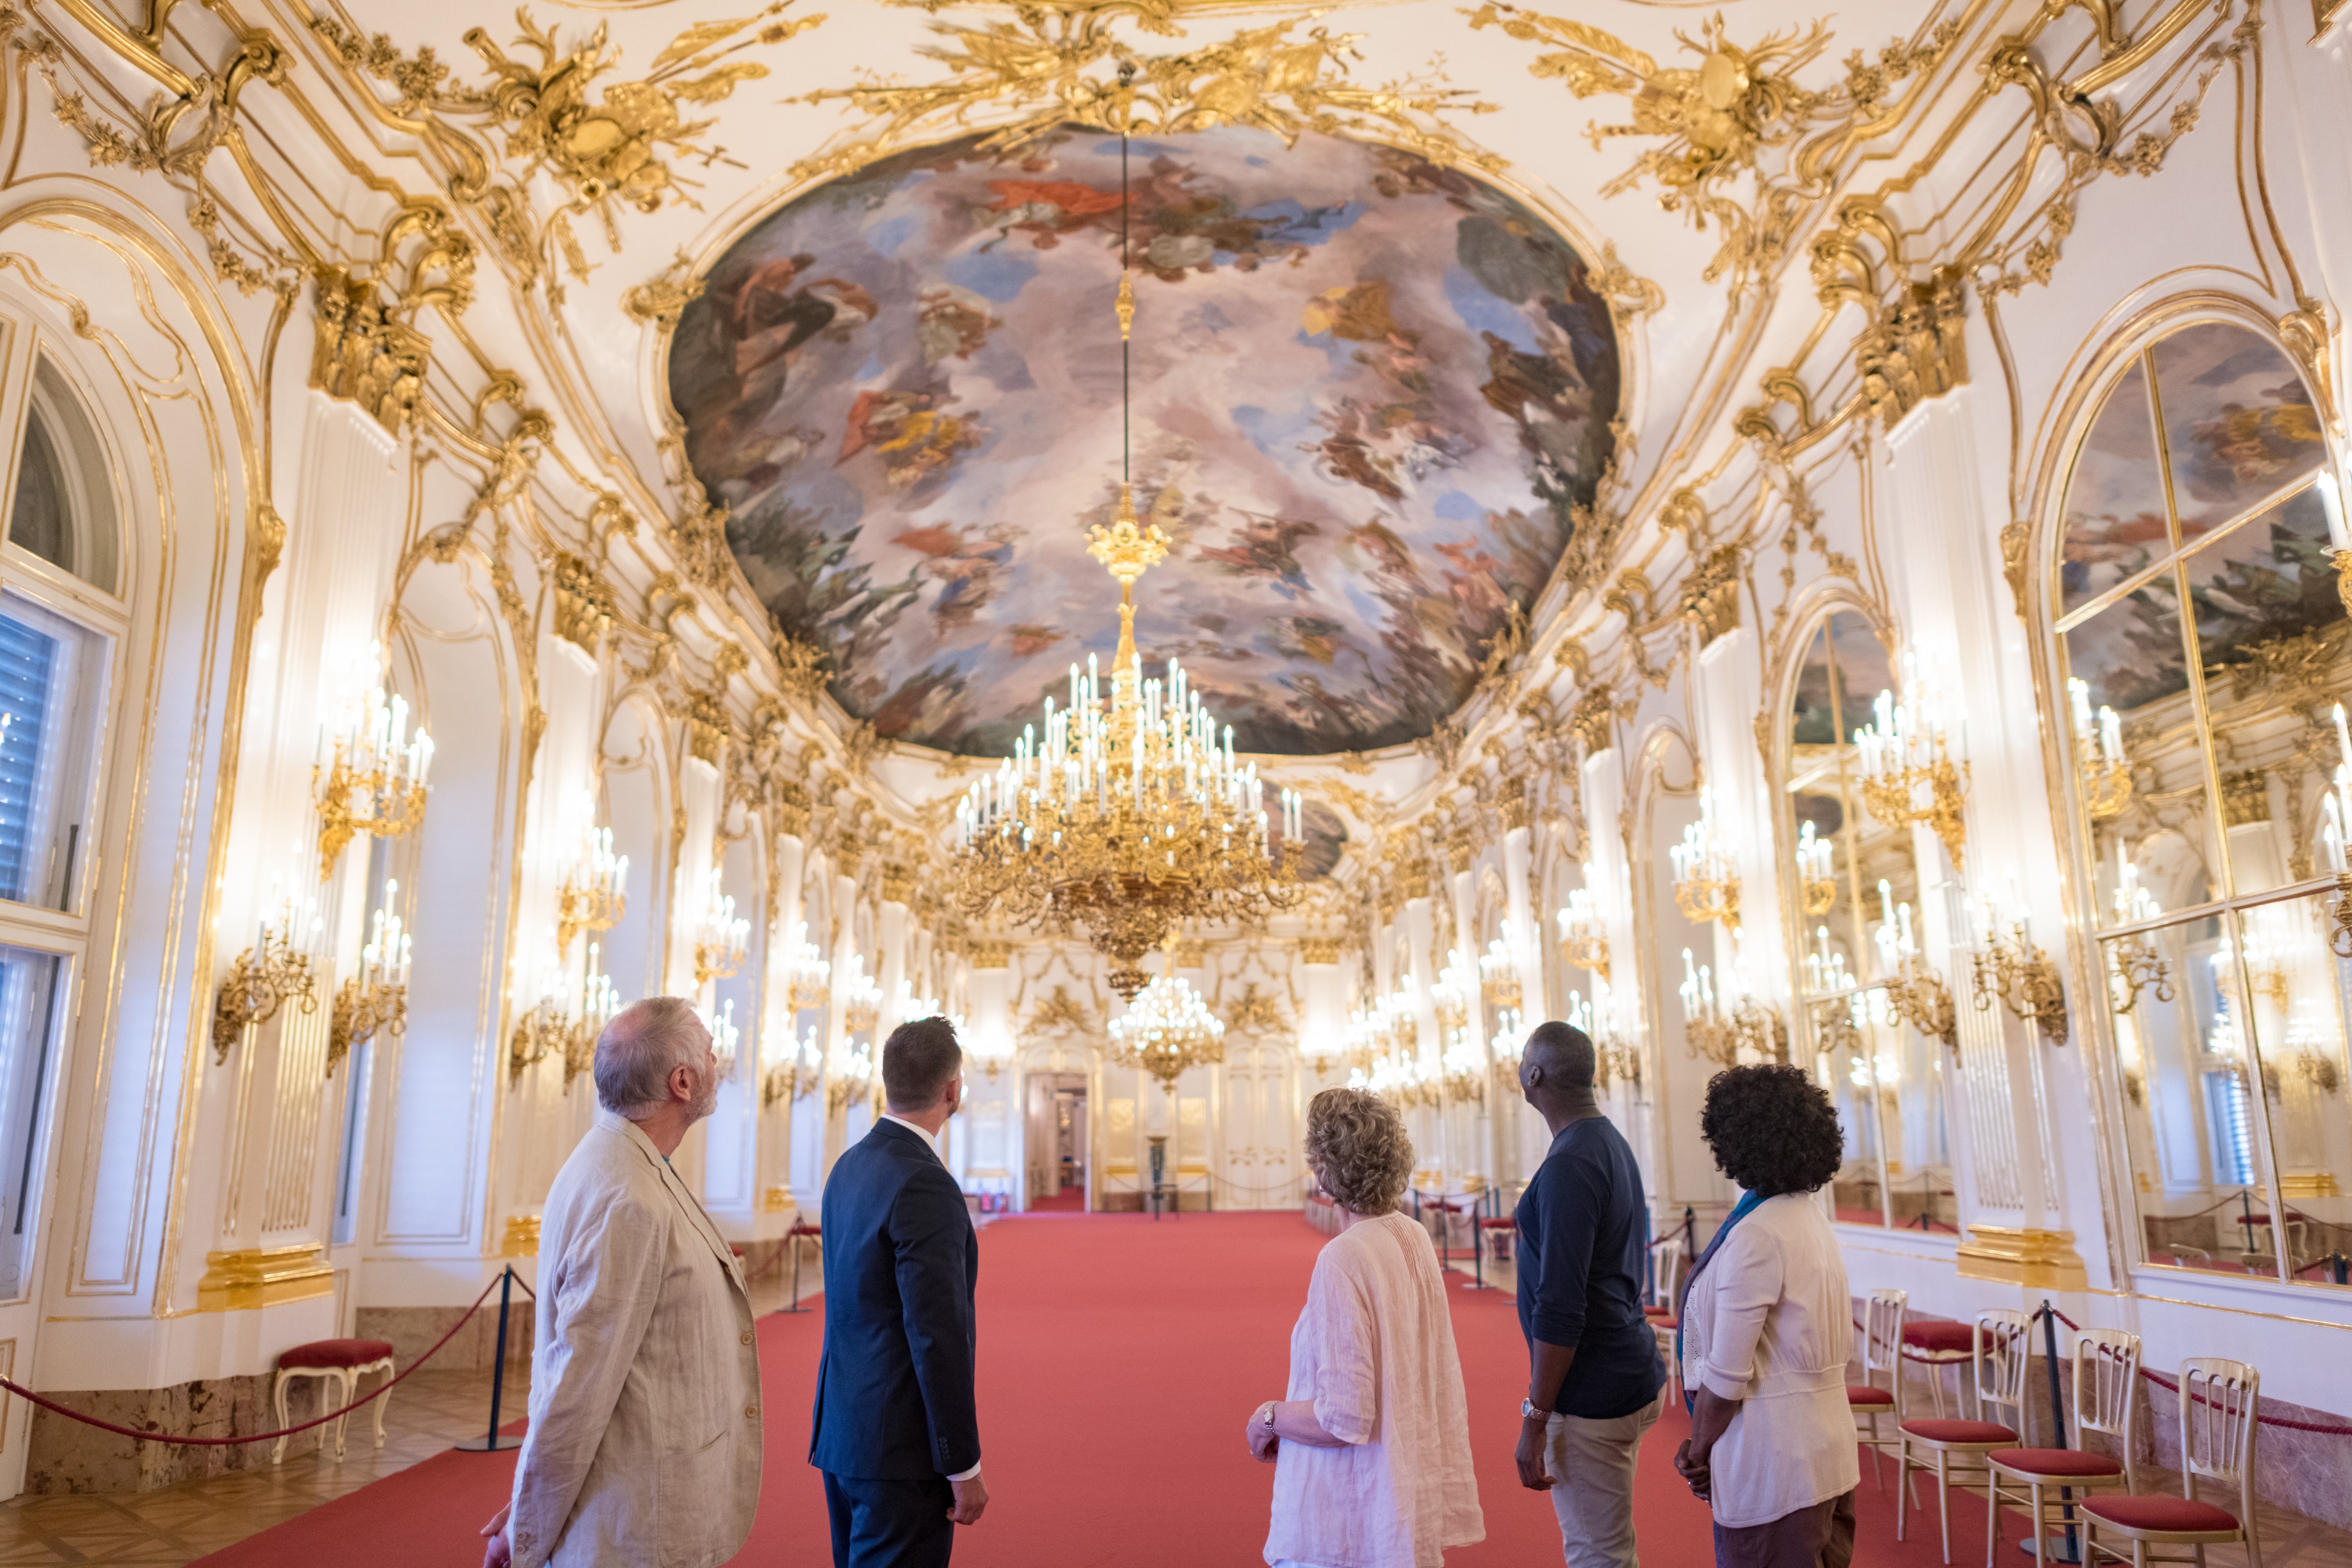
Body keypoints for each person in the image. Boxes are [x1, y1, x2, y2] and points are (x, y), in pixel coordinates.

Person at [480, 998, 760, 1568]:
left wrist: (527, 1503)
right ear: (682, 1081)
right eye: (709, 1052)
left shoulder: (628, 1160)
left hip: (640, 1503)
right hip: (637, 1524)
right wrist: (529, 1524)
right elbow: (577, 1385)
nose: (717, 1061)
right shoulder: (627, 1197)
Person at [1250, 1086, 1483, 1568]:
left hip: (1347, 1519)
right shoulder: (1411, 1233)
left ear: (1322, 1168)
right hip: (1397, 1496)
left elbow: (1345, 1418)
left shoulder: (1344, 1257)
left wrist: (1269, 1416)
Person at [811, 1016, 987, 1567]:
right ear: (952, 1090)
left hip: (845, 1432)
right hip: (901, 1451)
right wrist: (963, 1465)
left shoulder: (848, 1166)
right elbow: (936, 1335)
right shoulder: (924, 1182)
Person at [1671, 1063, 1859, 1568]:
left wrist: (1699, 1450)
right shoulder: (1808, 1218)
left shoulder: (1757, 1234)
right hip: (1830, 1452)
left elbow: (1728, 1375)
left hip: (1775, 1462)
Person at [1512, 1020, 1667, 1568]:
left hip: (1592, 1387)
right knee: (1610, 1546)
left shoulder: (1571, 1162)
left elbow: (1560, 1306)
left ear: (1535, 1074)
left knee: (1598, 1556)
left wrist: (1536, 1419)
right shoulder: (1605, 1140)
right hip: (1625, 1363)